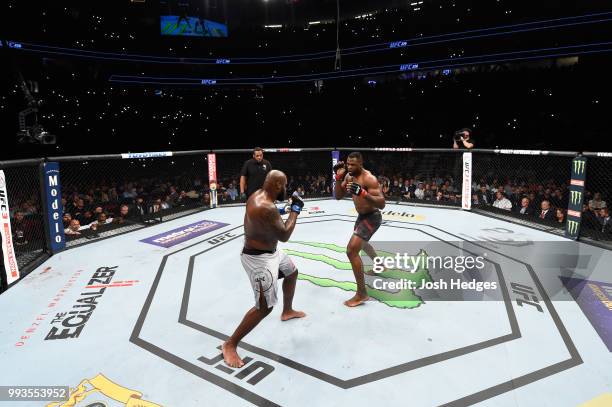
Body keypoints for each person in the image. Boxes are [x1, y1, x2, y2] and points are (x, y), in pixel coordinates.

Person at [223, 170, 306, 368]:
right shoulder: (266, 207)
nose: (286, 188)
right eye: (284, 185)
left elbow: (270, 216)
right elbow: (284, 234)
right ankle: (230, 344)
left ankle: (287, 310)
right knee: (265, 307)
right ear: (277, 185)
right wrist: (295, 209)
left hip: (271, 252)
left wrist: (284, 210)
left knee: (292, 273)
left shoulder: (258, 195)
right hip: (258, 260)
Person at [333, 152, 386, 307]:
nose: (349, 167)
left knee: (351, 250)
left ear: (360, 164)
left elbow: (382, 203)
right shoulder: (349, 177)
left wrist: (363, 193)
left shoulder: (369, 178)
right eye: (348, 164)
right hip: (361, 216)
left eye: (353, 165)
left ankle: (362, 294)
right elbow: (338, 196)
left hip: (372, 217)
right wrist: (338, 178)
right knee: (362, 243)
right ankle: (380, 264)